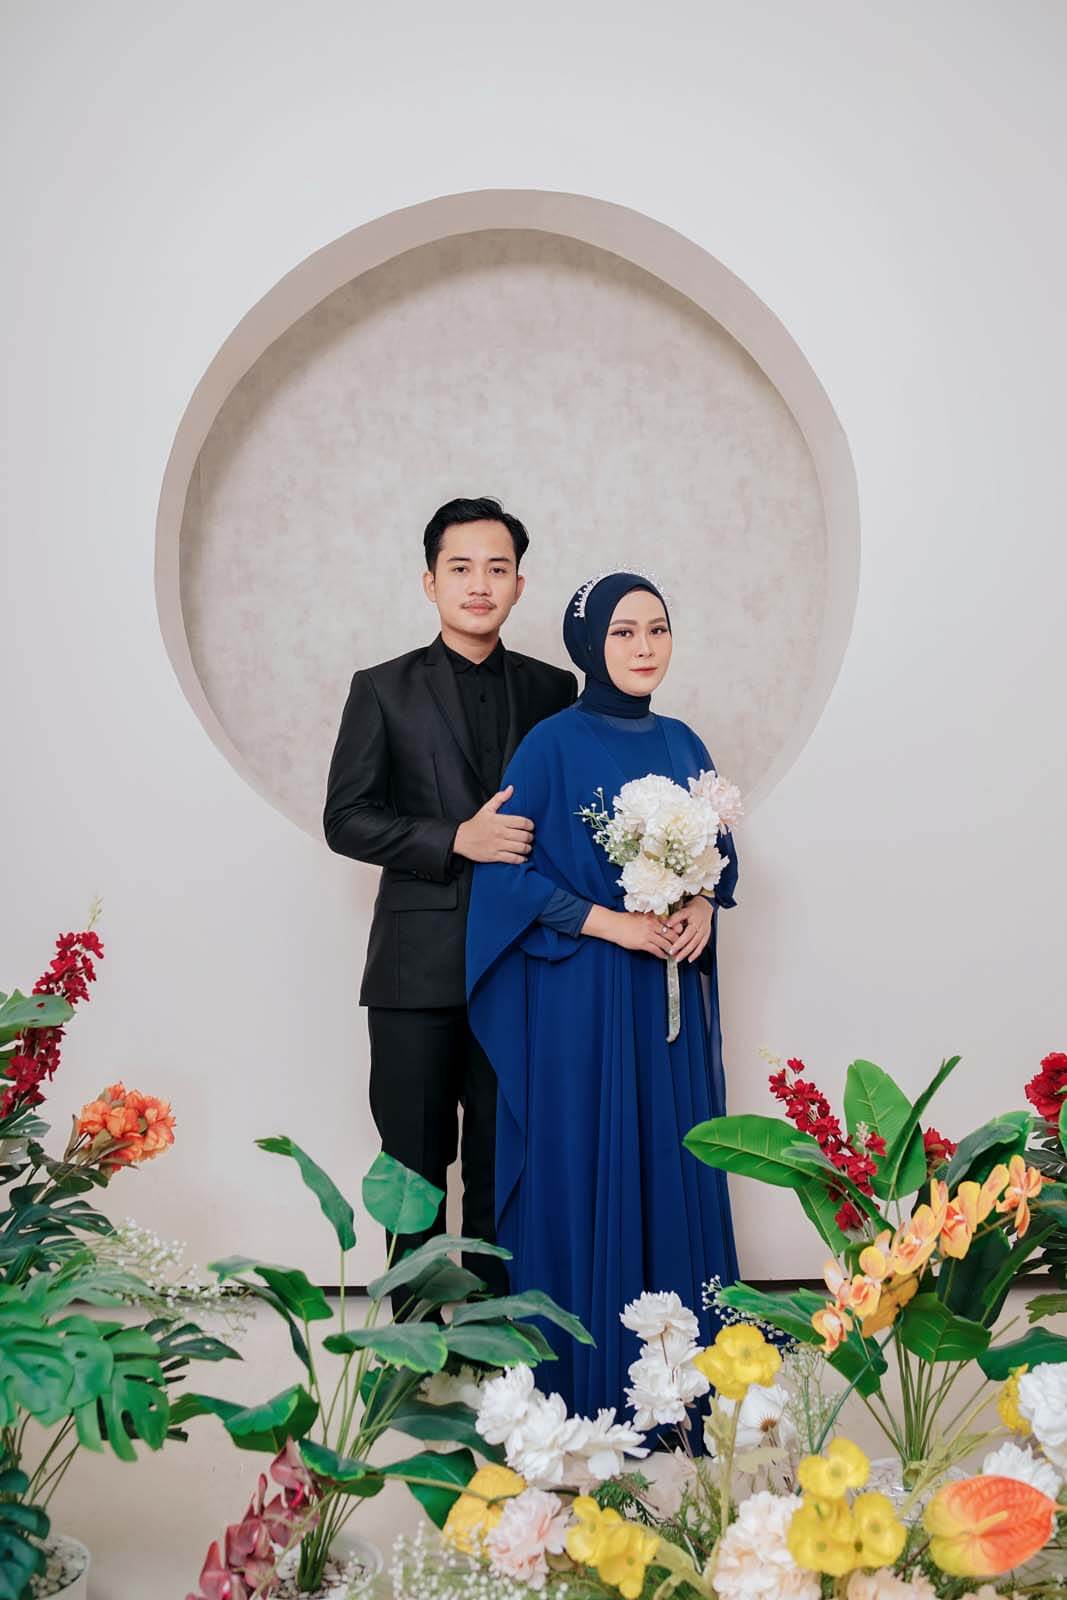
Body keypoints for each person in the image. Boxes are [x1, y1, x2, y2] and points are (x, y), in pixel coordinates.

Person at [466, 571, 738, 1412]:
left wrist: (700, 905)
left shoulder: (683, 742)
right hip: (584, 1000)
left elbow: (718, 856)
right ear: (589, 643)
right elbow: (505, 879)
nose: (644, 647)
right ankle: (590, 1380)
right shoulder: (549, 745)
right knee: (592, 1160)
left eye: (657, 628)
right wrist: (611, 924)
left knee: (669, 1156)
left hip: (664, 1000)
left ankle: (680, 1376)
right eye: (623, 632)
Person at [323, 498, 577, 1297]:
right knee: (413, 1168)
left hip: (523, 965)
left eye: (497, 569)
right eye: (460, 568)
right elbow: (345, 818)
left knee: (509, 1162)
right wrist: (454, 838)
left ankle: (497, 1338)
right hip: (415, 971)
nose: (479, 584)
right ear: (429, 582)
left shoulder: (555, 689)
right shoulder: (381, 688)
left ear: (519, 585)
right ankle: (412, 1340)